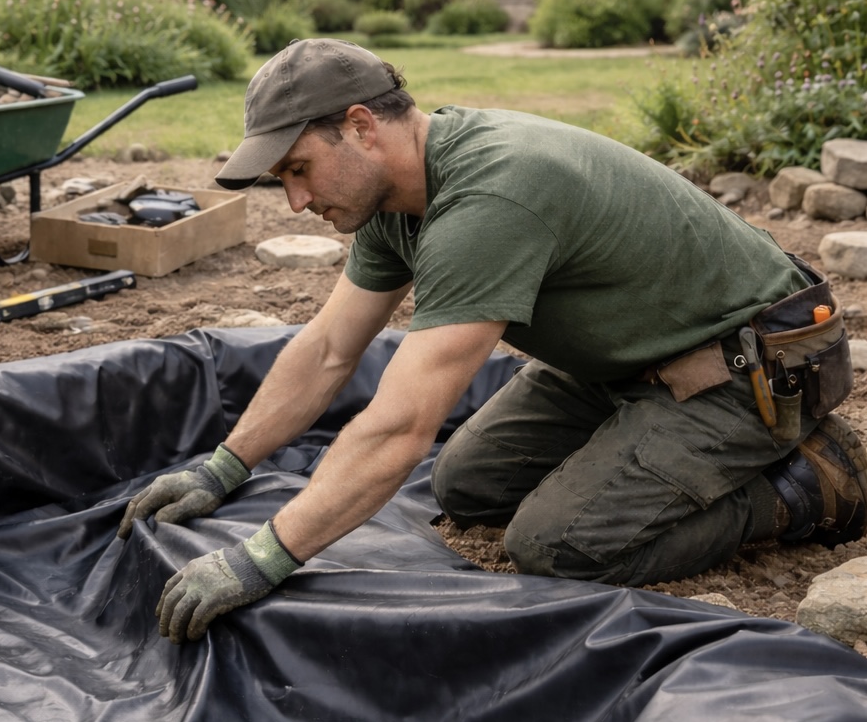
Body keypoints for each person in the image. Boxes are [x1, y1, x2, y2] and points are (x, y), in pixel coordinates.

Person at [118, 37, 867, 645]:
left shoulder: (490, 195)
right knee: (465, 486)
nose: (296, 199)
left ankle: (810, 480)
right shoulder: (393, 200)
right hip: (630, 360)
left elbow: (403, 425)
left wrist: (264, 558)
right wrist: (223, 468)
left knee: (556, 547)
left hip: (753, 363)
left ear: (359, 126)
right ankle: (652, 444)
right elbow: (328, 349)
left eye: (299, 169)